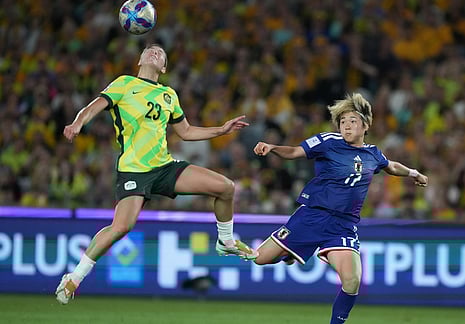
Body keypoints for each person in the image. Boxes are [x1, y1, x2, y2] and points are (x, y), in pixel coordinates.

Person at [55, 44, 258, 305]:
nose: (154, 52)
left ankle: (226, 241)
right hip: (134, 170)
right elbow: (92, 107)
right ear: (140, 60)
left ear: (164, 67)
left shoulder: (168, 95)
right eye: (149, 50)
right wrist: (77, 123)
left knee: (227, 187)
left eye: (160, 53)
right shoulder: (124, 84)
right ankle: (74, 277)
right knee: (121, 227)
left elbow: (185, 132)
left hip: (164, 167)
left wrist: (221, 130)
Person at [252, 93, 428, 324]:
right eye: (343, 121)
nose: (346, 125)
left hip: (343, 226)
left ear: (365, 126)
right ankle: (288, 254)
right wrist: (273, 147)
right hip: (313, 215)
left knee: (352, 281)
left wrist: (414, 173)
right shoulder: (328, 142)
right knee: (260, 259)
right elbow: (295, 152)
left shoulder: (373, 153)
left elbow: (390, 165)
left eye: (352, 121)